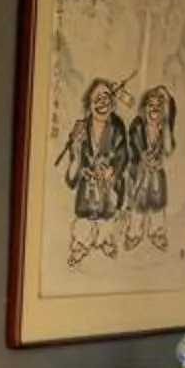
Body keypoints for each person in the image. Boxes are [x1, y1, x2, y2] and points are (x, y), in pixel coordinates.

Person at [57, 77, 128, 264]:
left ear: (112, 103)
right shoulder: (82, 127)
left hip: (108, 185)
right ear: (88, 104)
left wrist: (111, 170)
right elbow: (73, 171)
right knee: (85, 218)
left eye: (106, 97)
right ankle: (81, 245)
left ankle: (105, 241)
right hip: (88, 186)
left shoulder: (117, 126)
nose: (102, 103)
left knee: (107, 216)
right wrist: (76, 147)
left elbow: (123, 155)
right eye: (97, 98)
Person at [123, 84, 179, 253]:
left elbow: (168, 150)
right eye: (150, 105)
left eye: (158, 107)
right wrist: (142, 158)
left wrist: (167, 122)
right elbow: (132, 147)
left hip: (156, 172)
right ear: (144, 108)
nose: (154, 110)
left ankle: (157, 232)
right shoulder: (138, 126)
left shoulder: (163, 129)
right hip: (139, 171)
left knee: (157, 202)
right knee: (138, 203)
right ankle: (134, 233)